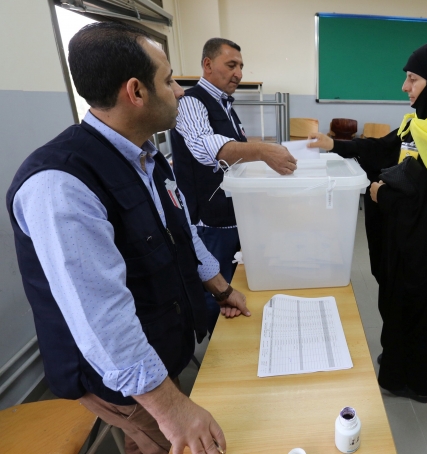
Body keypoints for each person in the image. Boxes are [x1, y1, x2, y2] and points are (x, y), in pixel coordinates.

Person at [6, 22, 251, 454]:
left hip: (153, 349)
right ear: (136, 92)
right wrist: (172, 409)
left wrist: (222, 288)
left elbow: (182, 232)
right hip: (115, 373)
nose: (179, 91)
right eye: (169, 80)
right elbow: (101, 317)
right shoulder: (62, 183)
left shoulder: (148, 156)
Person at [309, 42, 427, 402]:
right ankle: (402, 361)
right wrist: (334, 144)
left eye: (413, 79)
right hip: (408, 241)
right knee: (399, 306)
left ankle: (413, 379)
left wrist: (381, 197)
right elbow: (381, 148)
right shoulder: (420, 126)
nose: (405, 87)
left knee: (420, 308)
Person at [171, 38, 296, 334]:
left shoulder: (225, 106)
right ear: (207, 64)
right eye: (231, 65)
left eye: (240, 66)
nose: (238, 73)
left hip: (233, 216)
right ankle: (215, 355)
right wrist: (262, 151)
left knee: (233, 290)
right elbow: (203, 146)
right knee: (215, 292)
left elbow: (237, 160)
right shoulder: (191, 102)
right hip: (210, 223)